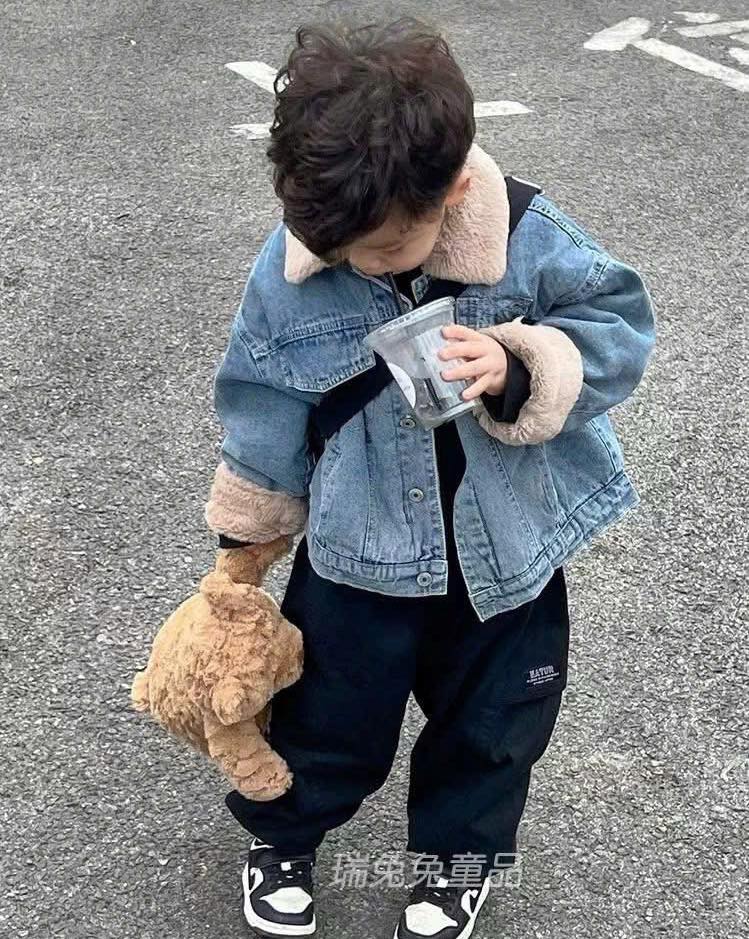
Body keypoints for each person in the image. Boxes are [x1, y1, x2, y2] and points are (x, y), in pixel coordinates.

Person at [203, 16, 656, 939]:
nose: (354, 262)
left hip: (505, 546)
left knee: (495, 722)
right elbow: (262, 393)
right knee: (323, 708)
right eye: (336, 245)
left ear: (452, 192)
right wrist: (245, 541)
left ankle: (455, 862)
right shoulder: (297, 260)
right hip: (357, 544)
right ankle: (284, 834)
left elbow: (618, 324)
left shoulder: (527, 236)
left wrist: (520, 359)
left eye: (380, 249)